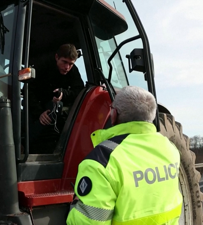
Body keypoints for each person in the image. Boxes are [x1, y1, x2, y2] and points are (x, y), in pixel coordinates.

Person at [67, 86, 182, 225]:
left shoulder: (101, 161)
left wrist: (74, 208)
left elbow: (89, 222)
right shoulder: (170, 149)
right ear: (151, 115)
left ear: (114, 114)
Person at [24, 44, 84, 147]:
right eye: (64, 62)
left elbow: (79, 91)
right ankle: (24, 145)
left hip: (56, 108)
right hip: (36, 107)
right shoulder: (42, 66)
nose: (67, 67)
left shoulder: (73, 71)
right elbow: (29, 91)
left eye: (71, 64)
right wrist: (39, 113)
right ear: (57, 57)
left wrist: (63, 93)